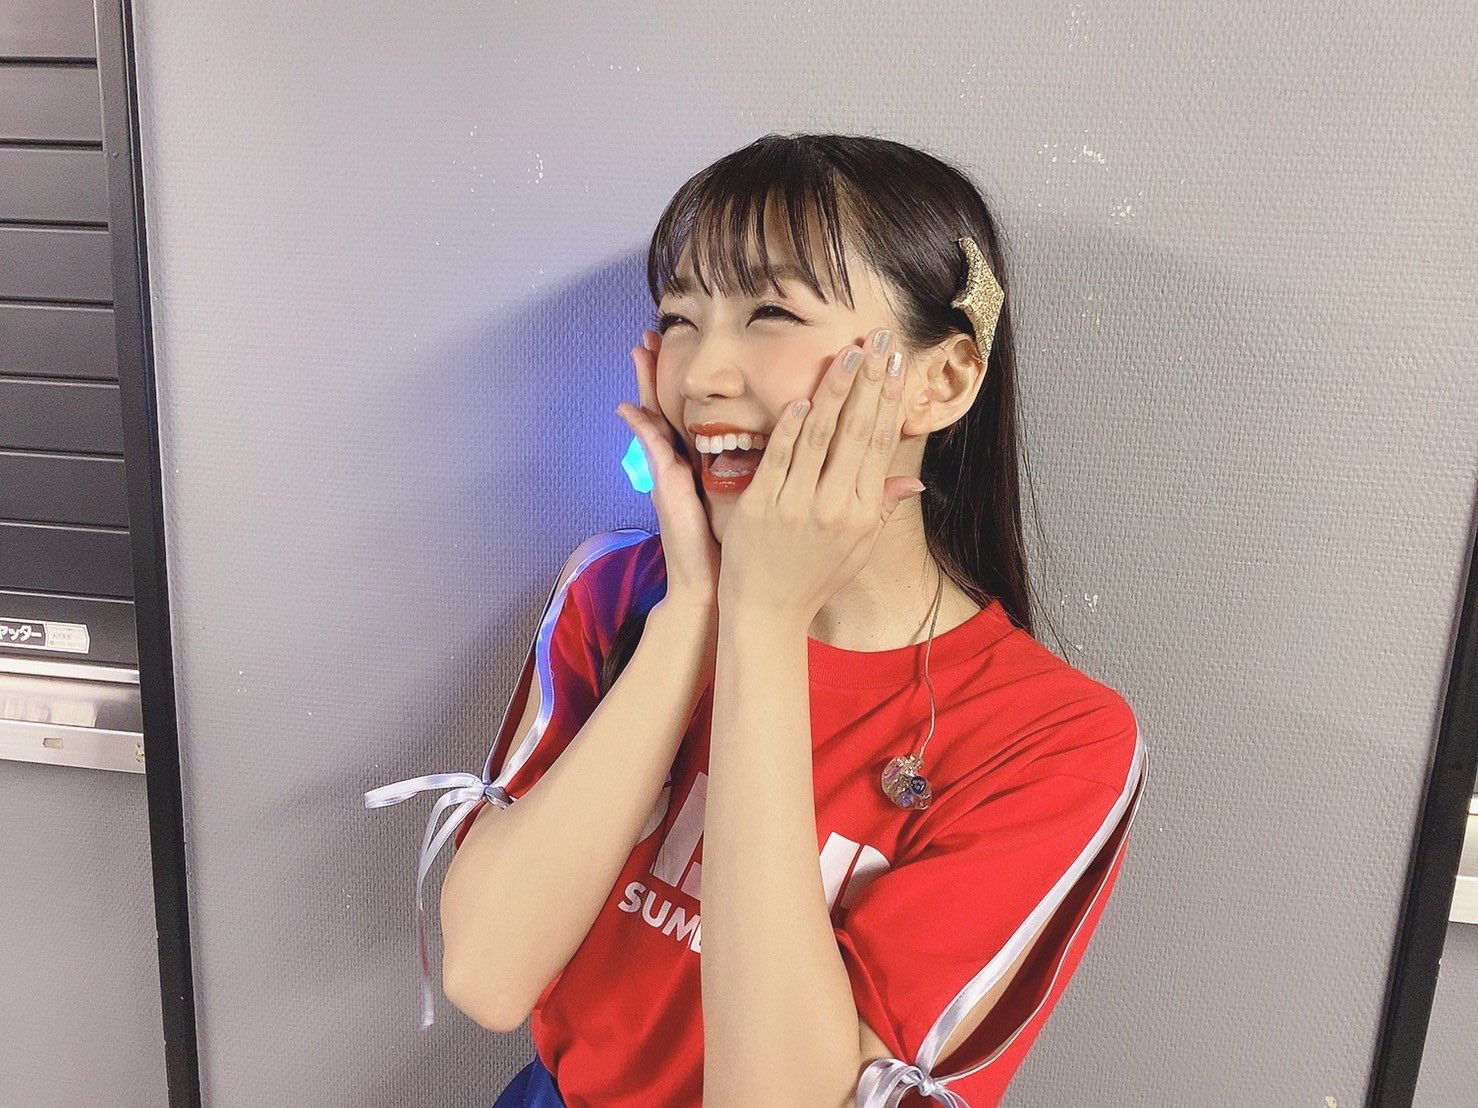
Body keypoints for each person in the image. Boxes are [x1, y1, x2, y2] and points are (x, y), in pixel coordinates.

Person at [366, 132, 1148, 1108]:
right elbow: (487, 974)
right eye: (678, 318)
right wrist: (697, 607)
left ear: (942, 379)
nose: (702, 374)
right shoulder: (615, 591)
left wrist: (766, 628)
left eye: (771, 312)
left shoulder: (1054, 741)